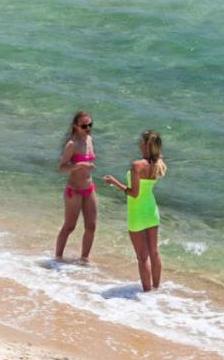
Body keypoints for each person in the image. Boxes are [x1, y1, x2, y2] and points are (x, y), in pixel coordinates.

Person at [103, 130, 167, 292]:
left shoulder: (137, 166)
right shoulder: (157, 163)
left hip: (137, 212)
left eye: (141, 141)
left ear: (145, 145)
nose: (139, 143)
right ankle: (156, 290)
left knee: (142, 257)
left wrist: (114, 182)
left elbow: (134, 193)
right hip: (151, 210)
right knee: (154, 252)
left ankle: (146, 294)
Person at [54, 110, 97, 262]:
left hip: (89, 188)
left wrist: (88, 166)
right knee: (70, 226)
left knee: (91, 226)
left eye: (90, 125)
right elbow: (61, 168)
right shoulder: (72, 144)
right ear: (76, 126)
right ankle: (58, 258)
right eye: (84, 126)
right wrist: (79, 165)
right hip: (74, 191)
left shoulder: (89, 139)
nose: (88, 128)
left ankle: (84, 259)